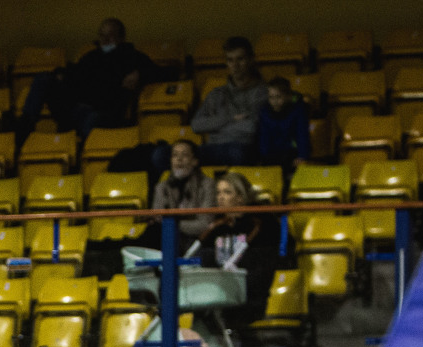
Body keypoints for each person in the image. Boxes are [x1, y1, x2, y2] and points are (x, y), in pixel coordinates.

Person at [18, 18, 165, 137]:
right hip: (75, 107)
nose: (105, 40)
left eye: (110, 35)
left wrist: (139, 73)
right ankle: (25, 126)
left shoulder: (132, 57)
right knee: (43, 78)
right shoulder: (91, 57)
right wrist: (59, 74)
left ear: (121, 38)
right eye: (102, 35)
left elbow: (162, 72)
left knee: (91, 119)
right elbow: (73, 72)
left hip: (104, 113)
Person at [195, 172, 280, 323]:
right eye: (218, 192)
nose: (220, 197)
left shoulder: (262, 223)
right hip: (219, 293)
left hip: (249, 295)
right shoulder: (217, 226)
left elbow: (262, 266)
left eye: (227, 192)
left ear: (241, 197)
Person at [189, 37, 267, 166]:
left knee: (237, 152)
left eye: (240, 59)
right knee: (162, 154)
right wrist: (231, 118)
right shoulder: (216, 93)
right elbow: (196, 125)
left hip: (243, 148)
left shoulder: (262, 93)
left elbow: (251, 128)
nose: (235, 65)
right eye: (230, 60)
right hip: (212, 148)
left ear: (250, 60)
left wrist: (213, 126)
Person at [152, 139, 217, 242]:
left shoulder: (207, 185)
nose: (179, 159)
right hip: (166, 237)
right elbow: (157, 219)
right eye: (175, 155)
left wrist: (174, 224)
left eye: (185, 155)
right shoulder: (161, 187)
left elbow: (205, 224)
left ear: (195, 161)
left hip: (195, 239)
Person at [257, 77, 311, 171]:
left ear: (288, 96)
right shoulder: (265, 112)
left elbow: (302, 134)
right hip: (272, 154)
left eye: (278, 97)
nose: (275, 101)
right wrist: (263, 156)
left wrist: (302, 156)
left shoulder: (298, 110)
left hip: (292, 152)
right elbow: (264, 137)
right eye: (271, 97)